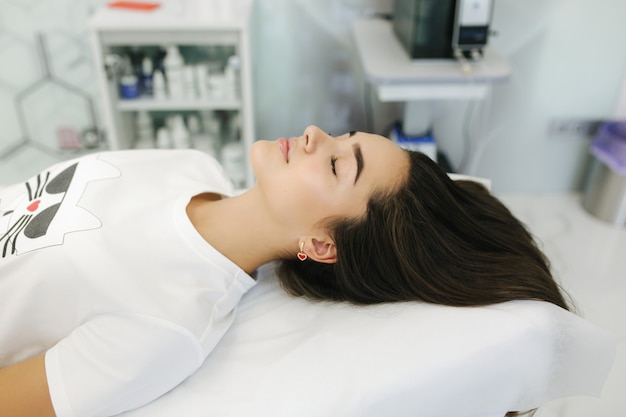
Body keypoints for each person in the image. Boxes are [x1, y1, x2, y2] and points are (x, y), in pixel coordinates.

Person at [0, 125, 569, 417]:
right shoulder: (185, 165)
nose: (317, 135)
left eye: (338, 162)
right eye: (345, 137)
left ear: (322, 246)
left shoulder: (167, 325)